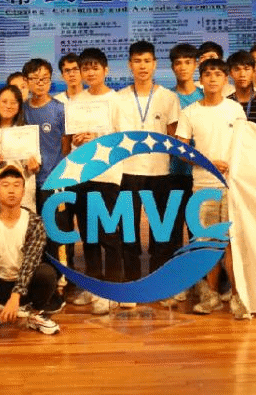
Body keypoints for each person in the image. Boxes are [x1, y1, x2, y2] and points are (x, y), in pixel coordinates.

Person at [175, 59, 248, 317]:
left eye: (218, 74)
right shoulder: (190, 112)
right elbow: (181, 149)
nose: (213, 78)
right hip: (203, 187)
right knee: (206, 245)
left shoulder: (235, 109)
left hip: (231, 187)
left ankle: (238, 297)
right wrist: (207, 162)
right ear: (201, 79)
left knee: (231, 244)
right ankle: (211, 295)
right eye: (208, 74)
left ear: (226, 79)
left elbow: (245, 144)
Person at [113, 41, 180, 288]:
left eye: (147, 61)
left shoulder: (169, 97)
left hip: (160, 172)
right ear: (130, 64)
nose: (142, 66)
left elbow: (174, 137)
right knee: (128, 229)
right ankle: (131, 279)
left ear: (155, 64)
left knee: (160, 230)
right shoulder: (117, 99)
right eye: (137, 61)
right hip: (127, 172)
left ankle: (158, 280)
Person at [69, 48, 122, 315]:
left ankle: (112, 290)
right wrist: (77, 140)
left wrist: (98, 139)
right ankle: (93, 285)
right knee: (88, 235)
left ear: (105, 70)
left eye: (95, 67)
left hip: (108, 176)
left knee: (108, 234)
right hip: (82, 175)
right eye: (85, 68)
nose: (90, 72)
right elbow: (71, 139)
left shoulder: (117, 100)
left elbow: (124, 138)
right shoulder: (76, 100)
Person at [0, 166, 62, 336]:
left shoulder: (34, 222)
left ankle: (34, 314)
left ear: (23, 191)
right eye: (5, 185)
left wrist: (16, 296)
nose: (11, 190)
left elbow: (30, 263)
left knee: (46, 273)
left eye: (16, 185)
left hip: (24, 287)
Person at [159, 43, 203, 308]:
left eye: (188, 62)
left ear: (195, 65)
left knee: (198, 230)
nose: (183, 67)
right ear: (172, 67)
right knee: (173, 230)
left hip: (201, 176)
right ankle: (177, 281)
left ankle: (201, 281)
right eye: (178, 63)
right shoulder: (166, 98)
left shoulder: (205, 95)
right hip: (172, 174)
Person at [22, 58, 72, 286]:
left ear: (51, 80)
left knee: (57, 231)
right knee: (35, 233)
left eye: (44, 78)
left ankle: (62, 277)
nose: (40, 83)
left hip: (54, 183)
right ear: (26, 81)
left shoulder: (60, 109)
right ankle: (41, 277)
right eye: (35, 78)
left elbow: (65, 146)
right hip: (28, 183)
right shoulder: (22, 109)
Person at [0, 85, 38, 211]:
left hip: (22, 195)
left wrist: (33, 166)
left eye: (13, 102)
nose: (8, 106)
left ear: (19, 106)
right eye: (4, 101)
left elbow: (35, 166)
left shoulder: (26, 132)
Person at [227, 50, 256, 125]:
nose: (242, 74)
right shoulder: (225, 104)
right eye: (237, 69)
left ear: (254, 71)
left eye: (246, 69)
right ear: (230, 73)